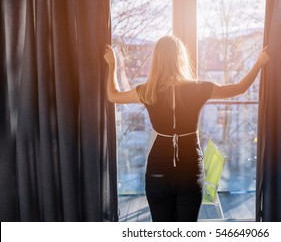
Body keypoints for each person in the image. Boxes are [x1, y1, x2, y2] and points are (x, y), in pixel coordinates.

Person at [104, 35, 269, 222]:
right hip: (189, 170)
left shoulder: (146, 90)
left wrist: (112, 65)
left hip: (158, 171)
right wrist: (259, 63)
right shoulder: (199, 88)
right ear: (181, 58)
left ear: (156, 60)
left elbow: (113, 95)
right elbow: (239, 89)